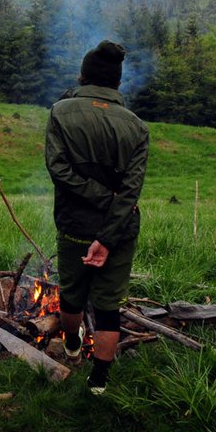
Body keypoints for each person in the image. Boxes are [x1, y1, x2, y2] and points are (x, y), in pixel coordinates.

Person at [45, 40, 149, 394]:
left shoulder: (60, 112)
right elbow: (130, 193)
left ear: (84, 76)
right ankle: (99, 382)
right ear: (118, 83)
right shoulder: (137, 127)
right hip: (119, 230)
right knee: (108, 307)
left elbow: (58, 170)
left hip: (75, 225)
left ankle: (73, 346)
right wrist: (107, 231)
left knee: (72, 296)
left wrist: (94, 196)